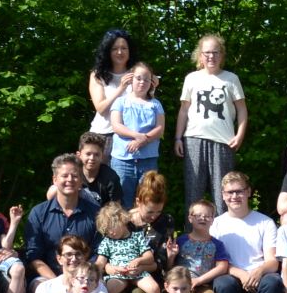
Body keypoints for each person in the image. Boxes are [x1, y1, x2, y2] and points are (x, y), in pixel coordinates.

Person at [210, 171, 284, 293]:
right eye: (230, 192)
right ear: (223, 195)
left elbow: (272, 261)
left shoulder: (265, 222)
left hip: (261, 276)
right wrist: (241, 274)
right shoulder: (216, 224)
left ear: (248, 192)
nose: (235, 196)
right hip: (231, 276)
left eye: (239, 191)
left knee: (273, 282)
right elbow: (217, 262)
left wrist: (257, 272)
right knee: (223, 284)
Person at [173, 33, 248, 211]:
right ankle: (192, 237)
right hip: (193, 140)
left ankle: (224, 237)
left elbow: (242, 109)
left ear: (221, 55)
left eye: (215, 52)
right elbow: (183, 110)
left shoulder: (231, 79)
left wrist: (240, 135)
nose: (211, 56)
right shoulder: (191, 78)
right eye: (206, 52)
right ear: (200, 56)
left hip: (223, 142)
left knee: (223, 194)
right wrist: (178, 138)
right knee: (193, 193)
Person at [25, 154, 100, 282]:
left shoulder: (96, 213)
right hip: (48, 278)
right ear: (55, 180)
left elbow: (98, 253)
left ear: (81, 181)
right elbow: (34, 256)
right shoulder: (39, 213)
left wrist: (82, 278)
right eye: (64, 176)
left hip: (86, 277)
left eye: (75, 176)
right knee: (39, 288)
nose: (70, 179)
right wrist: (58, 283)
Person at [94, 202, 157, 293]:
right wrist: (105, 269)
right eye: (106, 230)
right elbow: (100, 262)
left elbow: (150, 257)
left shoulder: (137, 237)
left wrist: (139, 260)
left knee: (154, 288)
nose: (110, 232)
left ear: (123, 220)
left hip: (136, 271)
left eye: (111, 228)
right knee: (109, 291)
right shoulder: (107, 241)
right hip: (118, 273)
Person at [107, 63, 165, 208]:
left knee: (147, 198)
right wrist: (137, 136)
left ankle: (143, 229)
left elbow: (160, 128)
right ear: (131, 80)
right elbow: (116, 125)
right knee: (121, 200)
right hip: (123, 161)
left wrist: (142, 141)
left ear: (151, 82)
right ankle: (123, 230)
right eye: (138, 78)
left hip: (148, 161)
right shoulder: (121, 101)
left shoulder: (155, 104)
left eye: (146, 79)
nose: (142, 82)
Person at [86, 28, 136, 134]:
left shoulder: (137, 73)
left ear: (130, 51)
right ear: (107, 51)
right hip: (103, 134)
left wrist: (152, 85)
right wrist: (121, 88)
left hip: (131, 135)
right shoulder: (97, 74)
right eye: (114, 49)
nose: (119, 52)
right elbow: (101, 109)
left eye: (124, 48)